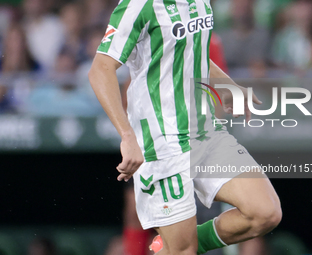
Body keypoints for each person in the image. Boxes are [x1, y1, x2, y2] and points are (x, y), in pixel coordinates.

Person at [89, 1, 282, 254]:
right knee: (182, 249)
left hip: (204, 131)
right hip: (162, 142)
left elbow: (191, 52)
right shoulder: (138, 5)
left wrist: (226, 84)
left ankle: (172, 248)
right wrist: (127, 136)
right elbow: (100, 69)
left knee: (265, 212)